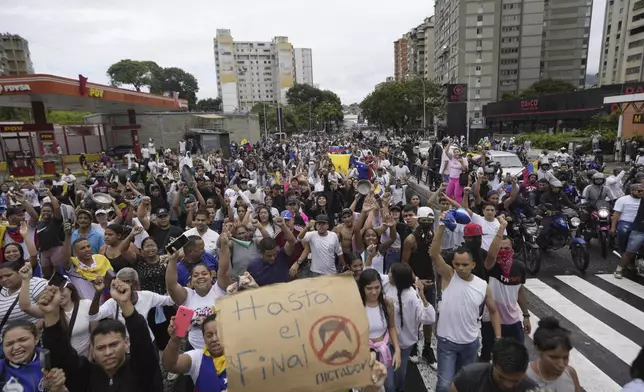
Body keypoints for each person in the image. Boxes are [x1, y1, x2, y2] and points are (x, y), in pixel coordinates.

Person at [40, 280, 164, 391]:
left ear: (126, 343)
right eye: (101, 348)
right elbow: (62, 356)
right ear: (92, 350)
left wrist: (125, 304)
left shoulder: (140, 369)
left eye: (114, 344)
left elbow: (142, 342)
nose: (108, 352)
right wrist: (51, 314)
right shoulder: (87, 374)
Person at [430, 223, 502, 392]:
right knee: (444, 384)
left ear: (473, 265)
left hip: (470, 343)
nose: (460, 268)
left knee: (466, 384)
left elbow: (493, 311)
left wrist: (498, 338)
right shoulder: (449, 276)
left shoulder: (483, 286)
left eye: (465, 265)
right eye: (457, 264)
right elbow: (434, 254)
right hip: (446, 341)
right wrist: (441, 227)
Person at [358, 268, 401, 392]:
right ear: (362, 288)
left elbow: (391, 327)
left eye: (377, 287)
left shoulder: (387, 304)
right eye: (369, 288)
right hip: (365, 353)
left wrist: (397, 349)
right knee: (369, 386)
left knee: (389, 386)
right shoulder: (357, 306)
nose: (374, 292)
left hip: (384, 349)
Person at [0, 320, 68, 392]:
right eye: (9, 344)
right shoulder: (2, 368)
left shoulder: (52, 360)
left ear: (36, 339)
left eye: (22, 340)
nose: (16, 347)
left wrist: (57, 388)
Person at [449, 338, 538, 392]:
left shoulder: (531, 389)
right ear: (492, 360)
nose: (508, 385)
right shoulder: (469, 377)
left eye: (515, 381)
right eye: (501, 377)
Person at [526, 317, 582, 392]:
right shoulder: (524, 376)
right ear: (538, 350)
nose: (561, 365)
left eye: (565, 357)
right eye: (554, 357)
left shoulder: (570, 373)